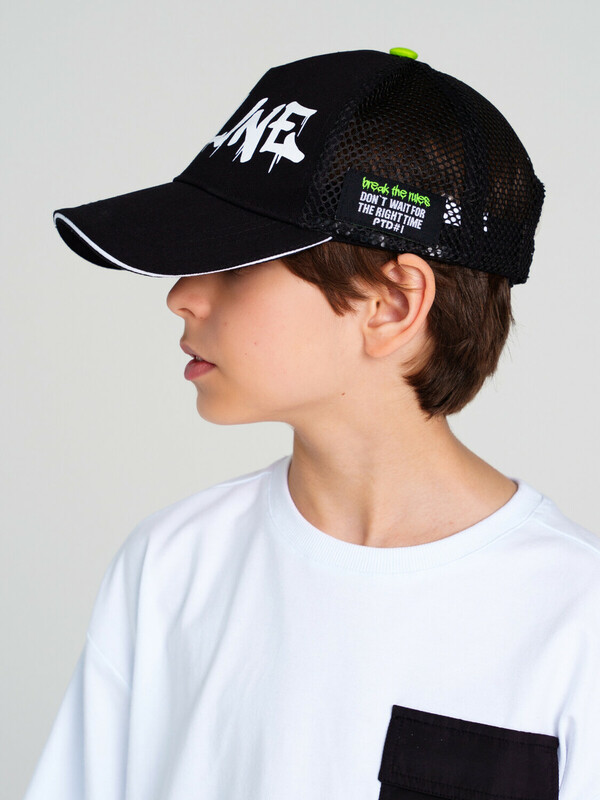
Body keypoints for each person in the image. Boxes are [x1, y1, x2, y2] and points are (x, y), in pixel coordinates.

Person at [23, 47, 599, 800]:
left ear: (390, 304)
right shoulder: (172, 567)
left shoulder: (574, 617)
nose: (181, 296)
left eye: (235, 263)